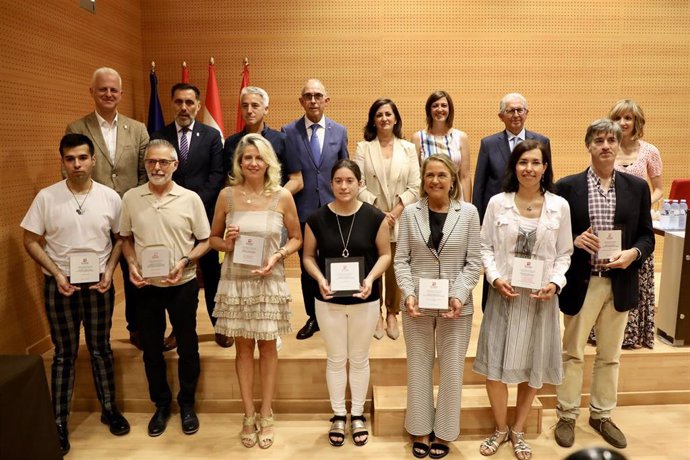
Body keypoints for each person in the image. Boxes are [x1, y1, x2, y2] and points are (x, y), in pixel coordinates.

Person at [20, 134, 130, 455]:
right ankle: (58, 422)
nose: (77, 165)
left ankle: (109, 409)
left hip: (98, 283)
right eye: (70, 159)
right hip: (60, 285)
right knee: (64, 354)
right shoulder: (46, 197)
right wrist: (56, 273)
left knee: (100, 349)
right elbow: (30, 240)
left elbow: (121, 238)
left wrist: (109, 271)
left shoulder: (110, 197)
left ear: (93, 160)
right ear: (63, 161)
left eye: (83, 158)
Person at [554, 119, 654, 450]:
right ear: (589, 146)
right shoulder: (566, 187)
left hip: (620, 280)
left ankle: (601, 414)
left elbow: (647, 236)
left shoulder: (636, 187)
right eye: (599, 140)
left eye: (612, 139)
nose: (606, 146)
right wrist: (573, 238)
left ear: (619, 143)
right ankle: (567, 415)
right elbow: (550, 235)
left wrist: (634, 253)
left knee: (610, 356)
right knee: (572, 353)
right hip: (583, 282)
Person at [473, 140, 573, 460]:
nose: (528, 168)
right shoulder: (497, 203)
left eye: (535, 162)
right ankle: (500, 428)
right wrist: (495, 278)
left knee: (532, 368)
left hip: (540, 300)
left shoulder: (560, 206)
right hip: (504, 295)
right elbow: (484, 247)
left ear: (545, 168)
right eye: (522, 162)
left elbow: (564, 253)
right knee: (495, 369)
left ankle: (518, 430)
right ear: (513, 167)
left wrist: (556, 284)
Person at [210, 134, 302, 449]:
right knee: (244, 350)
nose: (252, 163)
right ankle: (248, 414)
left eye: (258, 158)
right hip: (235, 281)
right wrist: (227, 242)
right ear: (239, 162)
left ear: (268, 163)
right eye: (247, 158)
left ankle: (267, 412)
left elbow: (296, 238)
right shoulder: (226, 196)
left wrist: (278, 256)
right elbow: (213, 240)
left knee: (269, 349)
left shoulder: (282, 196)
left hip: (268, 280)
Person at [120, 139, 211, 437]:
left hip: (181, 284)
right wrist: (132, 265)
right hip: (146, 286)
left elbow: (205, 241)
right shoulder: (131, 198)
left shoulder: (190, 199)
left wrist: (185, 260)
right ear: (145, 165)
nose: (156, 167)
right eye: (151, 162)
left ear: (175, 164)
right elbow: (126, 239)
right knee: (152, 350)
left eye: (163, 162)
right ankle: (161, 405)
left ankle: (187, 404)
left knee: (188, 346)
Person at [394, 154, 481, 459]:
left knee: (452, 370)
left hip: (457, 307)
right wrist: (407, 293)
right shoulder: (409, 214)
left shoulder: (469, 213)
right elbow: (401, 260)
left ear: (452, 179)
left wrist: (458, 294)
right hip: (416, 306)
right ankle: (419, 427)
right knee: (418, 367)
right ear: (423, 179)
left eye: (441, 175)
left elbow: (473, 262)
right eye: (430, 175)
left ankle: (444, 432)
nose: (435, 181)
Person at [302, 159, 391, 447]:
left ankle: (357, 414)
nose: (343, 186)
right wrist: (319, 278)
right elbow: (307, 257)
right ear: (331, 183)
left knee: (359, 358)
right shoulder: (316, 219)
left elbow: (385, 255)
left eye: (349, 181)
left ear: (359, 184)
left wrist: (371, 279)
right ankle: (339, 413)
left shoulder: (375, 217)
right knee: (337, 358)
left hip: (365, 299)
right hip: (327, 300)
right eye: (338, 180)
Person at [66, 67, 150, 349]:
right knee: (96, 273)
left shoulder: (138, 129)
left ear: (121, 94)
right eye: (103, 89)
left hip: (130, 212)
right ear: (92, 92)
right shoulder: (77, 128)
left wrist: (134, 204)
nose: (108, 94)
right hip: (94, 216)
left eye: (114, 90)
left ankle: (137, 328)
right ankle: (95, 337)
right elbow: (72, 173)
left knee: (134, 271)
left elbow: (144, 171)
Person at [151, 83, 227, 348]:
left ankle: (220, 325)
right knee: (175, 274)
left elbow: (217, 175)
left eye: (189, 102)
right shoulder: (160, 135)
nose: (184, 107)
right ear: (172, 103)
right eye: (179, 102)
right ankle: (179, 329)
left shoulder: (211, 136)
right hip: (170, 220)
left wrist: (192, 204)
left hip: (204, 214)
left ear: (197, 105)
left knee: (211, 273)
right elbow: (158, 173)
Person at [588, 100, 662, 349]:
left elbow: (659, 188)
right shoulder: (606, 147)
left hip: (635, 227)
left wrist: (640, 205)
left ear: (637, 121)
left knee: (633, 280)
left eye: (628, 118)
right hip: (610, 228)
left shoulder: (650, 151)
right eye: (618, 118)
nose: (623, 123)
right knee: (606, 279)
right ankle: (599, 332)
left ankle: (631, 336)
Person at [283, 79, 349, 340]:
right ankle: (314, 316)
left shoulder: (339, 131)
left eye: (318, 95)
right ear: (301, 101)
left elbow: (345, 170)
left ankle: (337, 311)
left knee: (336, 261)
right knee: (307, 265)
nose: (313, 100)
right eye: (308, 96)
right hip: (304, 211)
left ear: (326, 100)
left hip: (335, 211)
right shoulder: (289, 131)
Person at [472, 93, 551, 312]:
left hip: (531, 213)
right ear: (501, 116)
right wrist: (478, 221)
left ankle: (528, 304)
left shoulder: (541, 141)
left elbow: (547, 178)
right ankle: (492, 307)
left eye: (520, 110)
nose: (515, 115)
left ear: (527, 113)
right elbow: (479, 184)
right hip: (499, 217)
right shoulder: (488, 143)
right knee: (497, 263)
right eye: (510, 111)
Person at [354, 98, 420, 340]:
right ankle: (376, 314)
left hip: (400, 217)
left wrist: (394, 213)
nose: (384, 118)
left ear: (395, 119)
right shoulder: (363, 147)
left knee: (395, 265)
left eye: (388, 114)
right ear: (373, 119)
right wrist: (379, 212)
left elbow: (416, 185)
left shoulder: (408, 148)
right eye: (379, 114)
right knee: (374, 264)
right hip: (371, 217)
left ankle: (392, 312)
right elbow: (357, 184)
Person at [223, 86, 303, 194]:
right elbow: (228, 180)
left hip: (274, 205)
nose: (249, 111)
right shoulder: (231, 143)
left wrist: (274, 199)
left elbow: (297, 180)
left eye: (255, 106)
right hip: (242, 205)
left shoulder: (282, 139)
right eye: (245, 106)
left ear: (266, 109)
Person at [412, 90, 472, 201]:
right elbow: (415, 177)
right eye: (435, 106)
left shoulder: (461, 137)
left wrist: (468, 207)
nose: (440, 109)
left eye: (444, 105)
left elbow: (465, 176)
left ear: (450, 110)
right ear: (429, 110)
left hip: (455, 199)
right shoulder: (418, 138)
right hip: (426, 199)